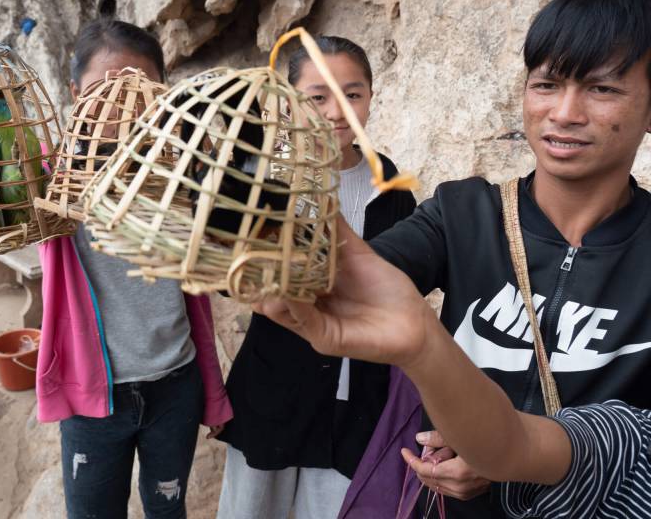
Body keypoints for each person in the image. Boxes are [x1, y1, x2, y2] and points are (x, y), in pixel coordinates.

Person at [323, 0, 651, 518]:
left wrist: (507, 452)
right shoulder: (464, 212)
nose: (564, 113)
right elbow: (360, 273)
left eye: (602, 88)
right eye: (545, 84)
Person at [256, 218, 651, 518]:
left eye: (606, 101)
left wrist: (425, 345)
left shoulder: (625, 439)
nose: (566, 111)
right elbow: (347, 285)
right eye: (545, 100)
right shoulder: (464, 212)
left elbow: (542, 447)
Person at [35, 18, 233, 519]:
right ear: (74, 91)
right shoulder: (50, 178)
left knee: (168, 508)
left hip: (175, 386)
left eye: (137, 90)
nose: (121, 108)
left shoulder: (183, 172)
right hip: (94, 399)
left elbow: (207, 288)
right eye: (103, 91)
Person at [216, 36, 418, 519]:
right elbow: (224, 271)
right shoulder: (261, 178)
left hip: (356, 403)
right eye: (317, 97)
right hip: (274, 391)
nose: (336, 112)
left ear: (371, 97)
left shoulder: (391, 190)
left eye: (352, 94)